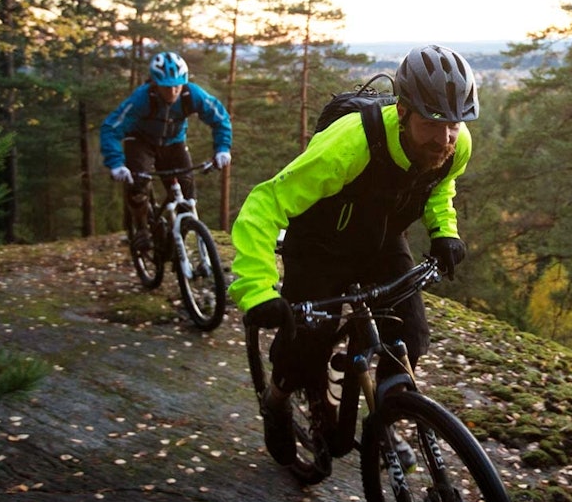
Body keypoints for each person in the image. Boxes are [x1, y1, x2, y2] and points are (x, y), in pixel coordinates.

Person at [228, 44, 477, 475]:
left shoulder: (457, 146)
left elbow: (439, 187)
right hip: (320, 243)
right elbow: (264, 203)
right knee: (306, 346)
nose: (445, 138)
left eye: (453, 123)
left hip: (381, 243)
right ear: (402, 111)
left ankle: (386, 418)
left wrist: (445, 232)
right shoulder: (350, 144)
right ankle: (278, 399)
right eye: (432, 123)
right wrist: (255, 289)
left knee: (411, 337)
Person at [101, 51, 233, 252]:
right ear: (155, 84)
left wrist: (222, 149)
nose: (172, 91)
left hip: (174, 142)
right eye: (166, 87)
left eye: (177, 86)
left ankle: (179, 235)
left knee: (187, 191)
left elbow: (220, 118)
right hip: (140, 141)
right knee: (137, 184)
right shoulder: (142, 98)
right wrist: (116, 163)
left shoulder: (192, 94)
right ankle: (142, 229)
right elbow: (111, 127)